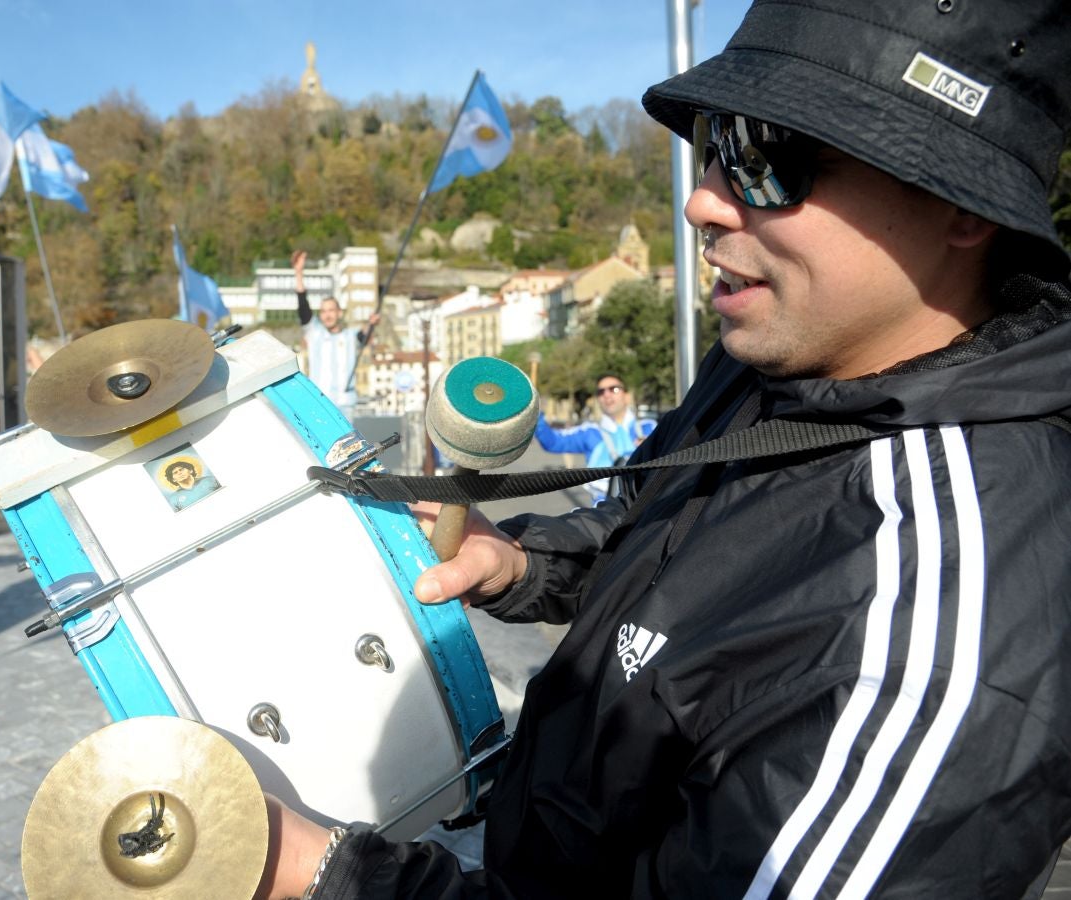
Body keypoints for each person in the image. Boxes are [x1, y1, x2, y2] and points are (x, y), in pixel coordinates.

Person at [256, 2, 1071, 896]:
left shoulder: (938, 640)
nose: (701, 200)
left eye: (767, 156)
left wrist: (324, 875)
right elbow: (659, 536)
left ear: (958, 207)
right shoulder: (779, 360)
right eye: (713, 144)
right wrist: (526, 564)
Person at [292, 250, 379, 421]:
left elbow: (364, 336)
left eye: (331, 310)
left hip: (346, 402)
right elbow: (303, 306)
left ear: (339, 313)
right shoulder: (314, 332)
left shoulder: (350, 335)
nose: (327, 315)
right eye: (323, 311)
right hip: (320, 401)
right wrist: (298, 272)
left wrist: (371, 324)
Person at [533, 374, 639, 505]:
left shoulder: (650, 428)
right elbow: (552, 442)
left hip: (647, 509)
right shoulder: (590, 432)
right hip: (606, 513)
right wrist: (535, 413)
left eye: (614, 389)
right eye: (601, 392)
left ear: (627, 396)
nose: (607, 394)